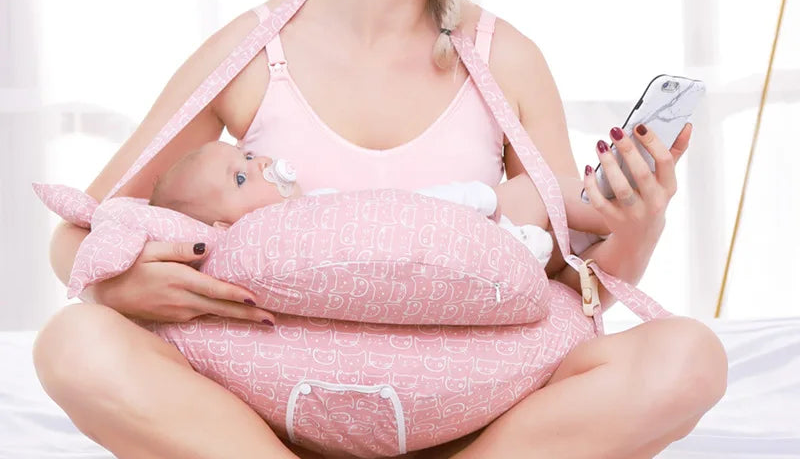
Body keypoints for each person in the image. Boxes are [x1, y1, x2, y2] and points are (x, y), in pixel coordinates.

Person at [32, 0, 728, 459]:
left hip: (471, 449)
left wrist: (640, 222)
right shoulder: (252, 53)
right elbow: (79, 233)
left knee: (688, 358)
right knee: (74, 343)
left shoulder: (506, 61)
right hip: (268, 445)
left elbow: (567, 290)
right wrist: (119, 285)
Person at [147, 138, 595, 262]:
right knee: (531, 194)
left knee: (540, 190)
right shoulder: (278, 243)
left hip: (442, 234)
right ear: (226, 229)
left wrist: (471, 201)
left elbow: (402, 209)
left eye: (246, 155)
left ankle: (603, 206)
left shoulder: (315, 206)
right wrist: (472, 200)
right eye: (242, 176)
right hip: (439, 248)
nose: (261, 162)